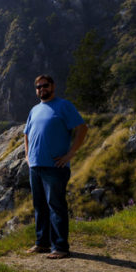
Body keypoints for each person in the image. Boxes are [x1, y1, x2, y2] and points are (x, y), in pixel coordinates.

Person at [23, 74, 88, 259]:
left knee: (56, 206)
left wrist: (71, 153)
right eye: (38, 87)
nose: (42, 89)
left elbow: (82, 128)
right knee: (39, 206)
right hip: (35, 166)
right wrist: (27, 155)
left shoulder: (64, 106)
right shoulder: (34, 110)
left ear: (53, 86)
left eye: (45, 85)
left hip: (55, 167)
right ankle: (42, 243)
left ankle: (60, 247)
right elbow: (26, 133)